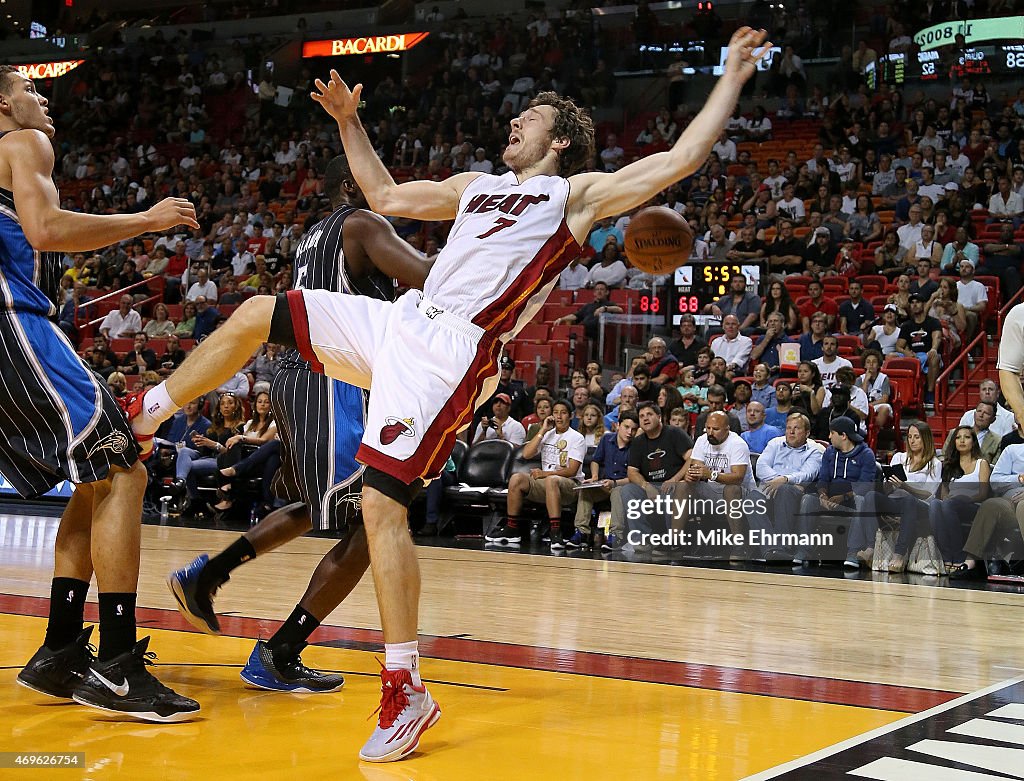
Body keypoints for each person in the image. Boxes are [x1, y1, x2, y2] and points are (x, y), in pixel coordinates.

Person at [128, 28, 771, 762]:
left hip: (454, 354)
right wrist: (348, 122)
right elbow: (386, 194)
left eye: (528, 118)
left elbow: (680, 159)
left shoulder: (575, 195)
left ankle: (406, 690)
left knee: (378, 503)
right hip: (402, 322)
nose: (513, 123)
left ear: (559, 142)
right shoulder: (477, 186)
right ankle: (146, 416)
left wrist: (730, 77)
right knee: (256, 313)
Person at [166, 156, 431, 695]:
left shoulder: (313, 238)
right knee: (372, 521)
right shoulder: (362, 224)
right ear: (347, 183)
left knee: (319, 504)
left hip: (299, 374)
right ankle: (281, 651)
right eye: (369, 171)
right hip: (332, 378)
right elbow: (427, 275)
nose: (385, 183)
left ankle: (208, 576)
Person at [0, 64, 200, 721]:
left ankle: (60, 650)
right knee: (123, 470)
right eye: (30, 89)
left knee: (97, 477)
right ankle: (117, 664)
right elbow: (47, 230)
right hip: (16, 327)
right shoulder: (21, 142)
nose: (42, 99)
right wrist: (146, 218)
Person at [489, 399, 586, 549]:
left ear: (571, 416)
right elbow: (526, 454)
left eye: (563, 413)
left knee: (552, 480)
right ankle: (512, 528)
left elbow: (571, 471)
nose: (559, 416)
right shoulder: (547, 434)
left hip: (570, 486)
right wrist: (542, 430)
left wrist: (544, 474)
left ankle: (555, 532)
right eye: (556, 413)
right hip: (546, 483)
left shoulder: (577, 438)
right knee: (517, 478)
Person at [853, 424, 942, 572]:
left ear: (925, 439)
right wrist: (889, 484)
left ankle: (899, 555)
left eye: (917, 437)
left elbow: (929, 494)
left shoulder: (934, 464)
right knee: (871, 496)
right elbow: (887, 491)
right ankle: (871, 548)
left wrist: (905, 486)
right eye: (910, 436)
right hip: (895, 501)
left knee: (908, 500)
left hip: (920, 505)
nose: (912, 441)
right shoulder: (899, 457)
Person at [794, 418, 877, 565]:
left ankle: (853, 552)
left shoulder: (866, 454)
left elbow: (865, 486)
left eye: (832, 433)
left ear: (843, 435)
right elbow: (823, 478)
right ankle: (804, 550)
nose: (829, 437)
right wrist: (822, 495)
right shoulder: (829, 452)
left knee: (861, 500)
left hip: (851, 501)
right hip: (829, 499)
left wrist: (843, 497)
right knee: (808, 499)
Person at [618, 401, 695, 549]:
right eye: (641, 416)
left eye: (649, 414)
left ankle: (671, 541)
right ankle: (642, 539)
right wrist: (645, 486)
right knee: (628, 490)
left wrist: (674, 479)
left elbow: (692, 458)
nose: (645, 419)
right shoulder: (638, 442)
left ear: (659, 417)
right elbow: (632, 472)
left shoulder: (674, 433)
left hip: (675, 484)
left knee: (672, 493)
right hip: (651, 484)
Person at [749, 412, 823, 560]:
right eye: (788, 427)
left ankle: (783, 547)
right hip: (770, 487)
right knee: (751, 498)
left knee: (785, 490)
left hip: (796, 492)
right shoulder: (775, 443)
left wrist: (785, 480)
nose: (791, 431)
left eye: (796, 428)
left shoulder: (816, 450)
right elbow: (761, 467)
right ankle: (771, 549)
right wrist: (778, 480)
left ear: (807, 433)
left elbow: (808, 474)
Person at [952, 437, 1024, 579]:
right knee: (990, 505)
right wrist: (1019, 478)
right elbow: (995, 481)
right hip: (1010, 502)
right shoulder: (1012, 450)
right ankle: (971, 562)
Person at [571, 410, 639, 551]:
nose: (629, 432)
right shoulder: (606, 440)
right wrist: (595, 477)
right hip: (604, 484)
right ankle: (582, 532)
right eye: (626, 427)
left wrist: (614, 483)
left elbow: (634, 477)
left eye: (633, 429)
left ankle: (616, 535)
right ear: (618, 425)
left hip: (624, 486)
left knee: (617, 491)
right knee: (586, 489)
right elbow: (595, 460)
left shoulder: (637, 447)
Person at [930, 425, 990, 567]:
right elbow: (944, 496)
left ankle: (958, 556)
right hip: (950, 506)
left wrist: (963, 499)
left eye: (967, 437)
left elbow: (983, 494)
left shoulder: (982, 463)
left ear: (973, 441)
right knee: (934, 504)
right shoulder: (949, 466)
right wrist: (951, 501)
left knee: (950, 504)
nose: (962, 440)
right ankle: (945, 555)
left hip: (974, 505)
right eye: (958, 437)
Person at [895, 293, 942, 409]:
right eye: (912, 303)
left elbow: (937, 338)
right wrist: (908, 353)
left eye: (918, 302)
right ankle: (898, 393)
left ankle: (930, 394)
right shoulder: (906, 325)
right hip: (912, 355)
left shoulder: (933, 322)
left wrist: (933, 349)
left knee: (934, 357)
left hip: (927, 354)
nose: (915, 305)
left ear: (924, 304)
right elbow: (899, 346)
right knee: (890, 357)